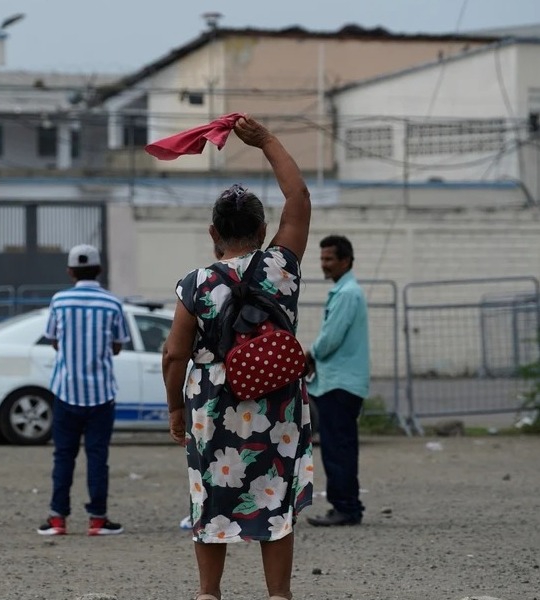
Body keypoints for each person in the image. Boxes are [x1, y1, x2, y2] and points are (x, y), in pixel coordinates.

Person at [162, 115, 313, 600]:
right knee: (275, 496)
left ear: (213, 232)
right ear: (265, 228)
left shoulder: (195, 283)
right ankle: (278, 595)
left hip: (212, 401)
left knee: (211, 496)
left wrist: (175, 408)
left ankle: (209, 592)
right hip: (277, 402)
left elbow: (174, 353)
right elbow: (299, 200)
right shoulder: (280, 265)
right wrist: (266, 140)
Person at [37, 244, 131, 536]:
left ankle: (57, 519)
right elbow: (118, 345)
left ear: (70, 271)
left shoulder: (59, 301)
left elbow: (53, 339)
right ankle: (98, 520)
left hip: (66, 391)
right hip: (101, 393)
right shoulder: (113, 303)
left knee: (63, 455)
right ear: (99, 270)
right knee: (97, 456)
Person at [305, 235, 369, 527]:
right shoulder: (346, 291)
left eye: (329, 259)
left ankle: (345, 508)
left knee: (337, 448)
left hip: (339, 384)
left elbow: (330, 338)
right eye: (322, 258)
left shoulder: (346, 294)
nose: (324, 264)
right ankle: (347, 505)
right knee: (341, 447)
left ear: (346, 260)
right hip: (339, 382)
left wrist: (310, 355)